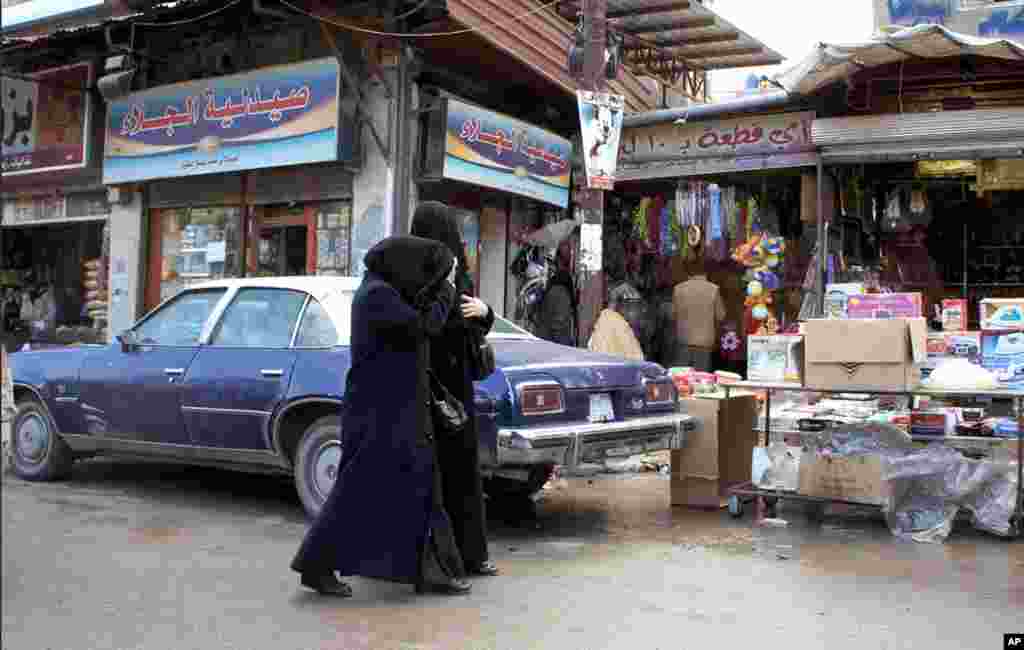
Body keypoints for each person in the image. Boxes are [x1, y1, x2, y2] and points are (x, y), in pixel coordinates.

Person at [290, 235, 471, 597]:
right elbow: (423, 328)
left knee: (417, 485)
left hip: (394, 409)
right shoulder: (377, 296)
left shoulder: (385, 289)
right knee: (358, 491)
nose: (432, 280)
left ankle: (431, 569)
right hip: (379, 414)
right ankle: (315, 563)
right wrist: (445, 295)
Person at [410, 201, 499, 577]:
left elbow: (470, 326)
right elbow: (431, 325)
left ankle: (468, 555)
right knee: (446, 473)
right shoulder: (421, 274)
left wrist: (485, 313)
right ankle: (445, 560)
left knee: (458, 472)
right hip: (434, 384)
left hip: (445, 386)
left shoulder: (452, 272)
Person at [672, 262, 726, 372]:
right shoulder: (714, 289)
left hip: (684, 339)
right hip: (704, 342)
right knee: (701, 378)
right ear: (706, 272)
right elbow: (721, 315)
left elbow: (673, 314)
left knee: (682, 377)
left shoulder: (678, 289)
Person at [535, 238, 577, 347]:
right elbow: (559, 327)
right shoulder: (560, 289)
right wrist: (567, 350)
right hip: (554, 350)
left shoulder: (554, 285)